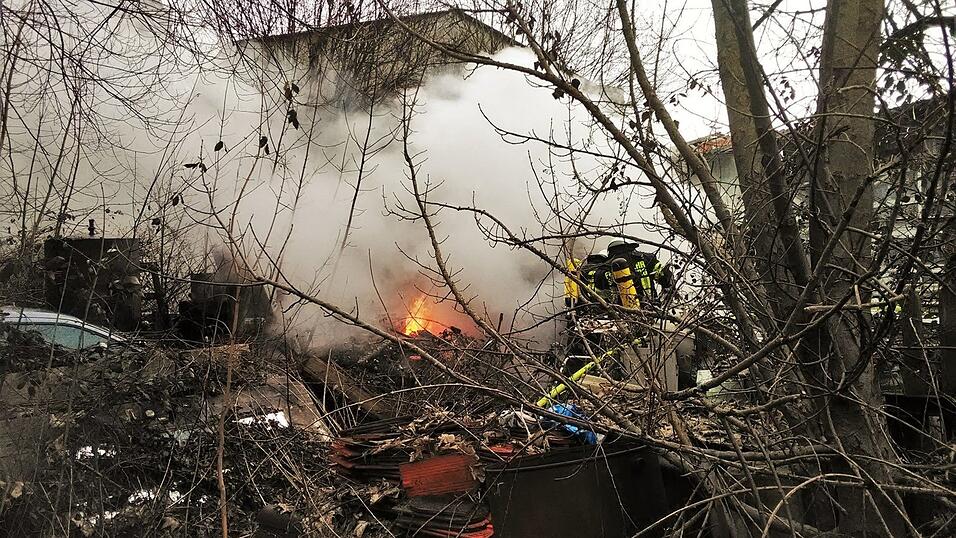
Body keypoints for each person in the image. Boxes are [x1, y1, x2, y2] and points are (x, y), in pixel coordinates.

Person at [605, 239, 673, 306]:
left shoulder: (606, 266)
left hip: (622, 309)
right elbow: (664, 276)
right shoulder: (645, 258)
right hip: (650, 305)